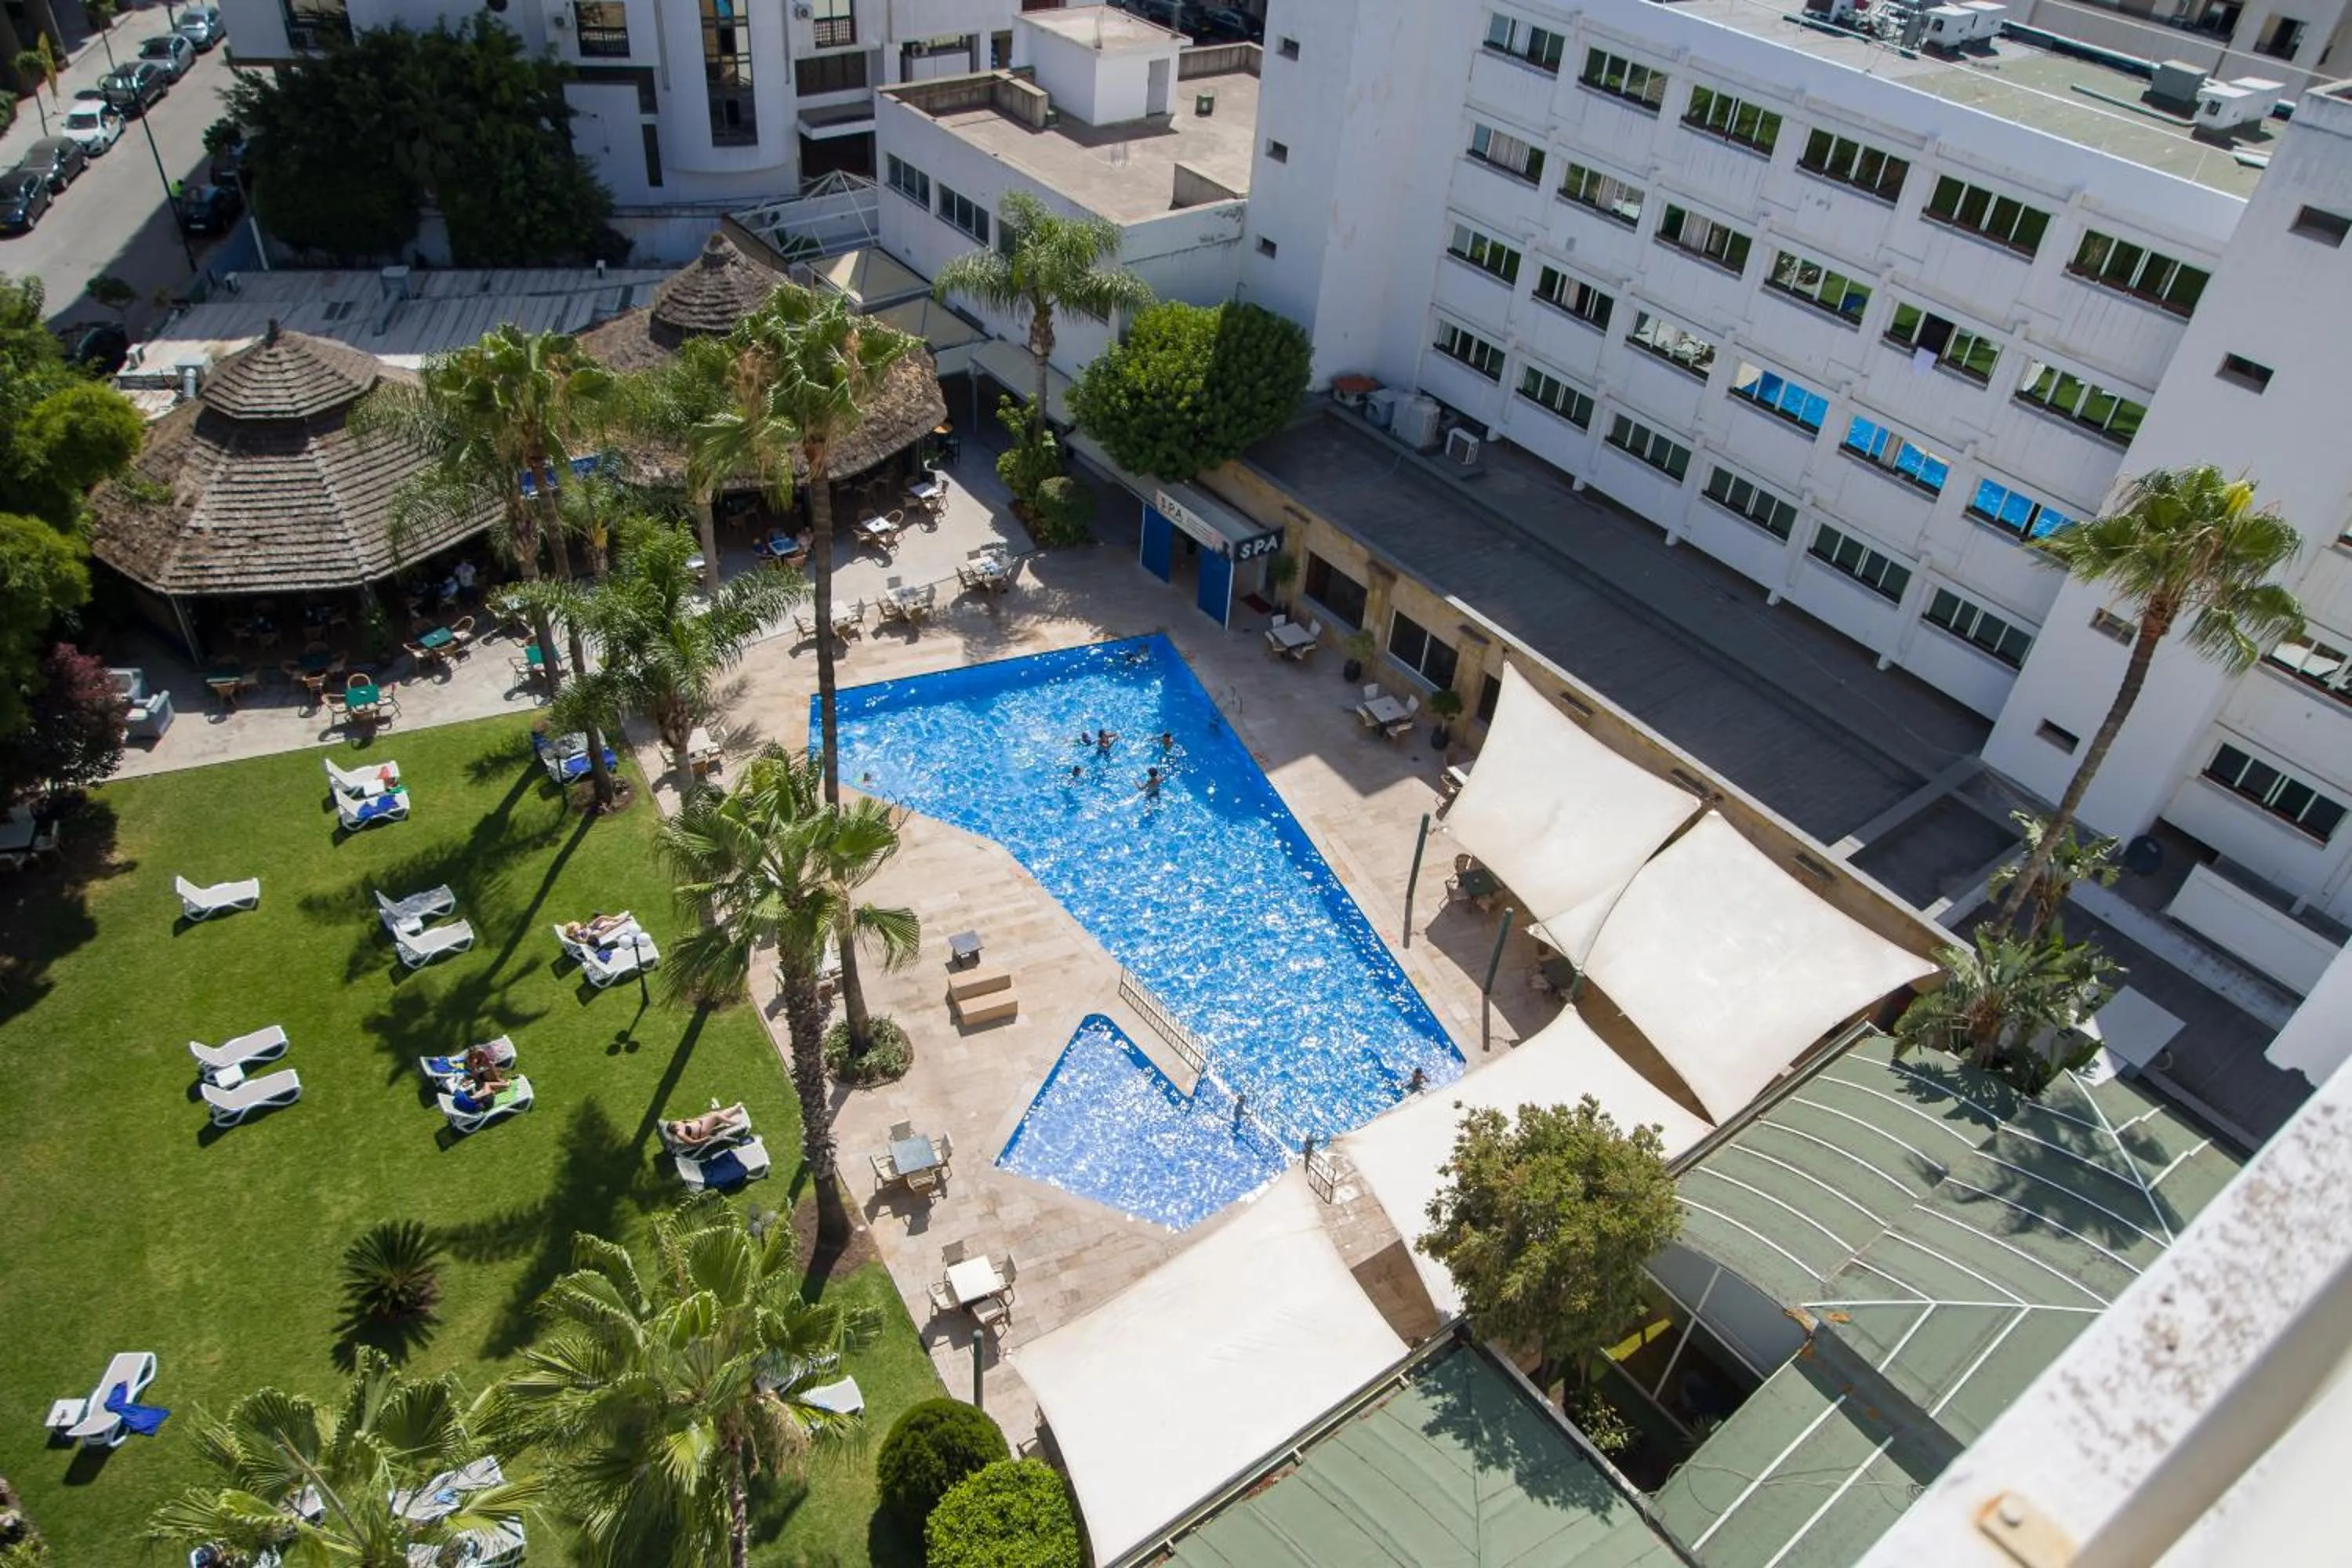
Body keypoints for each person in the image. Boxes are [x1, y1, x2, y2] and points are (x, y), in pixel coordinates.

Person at [667, 1105, 747, 1147]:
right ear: (673, 1129)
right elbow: (693, 1143)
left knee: (717, 1115)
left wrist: (698, 1120)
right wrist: (706, 1139)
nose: (676, 1124)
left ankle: (735, 1110)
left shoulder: (679, 1124)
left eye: (674, 1124)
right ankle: (733, 1123)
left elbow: (691, 1121)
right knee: (715, 1116)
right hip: (702, 1132)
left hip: (702, 1124)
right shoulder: (680, 1134)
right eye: (674, 1126)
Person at [563, 912, 633, 945]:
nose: (576, 928)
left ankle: (615, 919)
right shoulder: (576, 938)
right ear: (572, 931)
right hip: (592, 936)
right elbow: (584, 942)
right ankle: (624, 920)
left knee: (601, 917)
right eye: (574, 928)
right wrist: (588, 934)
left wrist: (585, 926)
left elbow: (582, 929)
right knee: (609, 927)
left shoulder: (576, 932)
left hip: (590, 928)